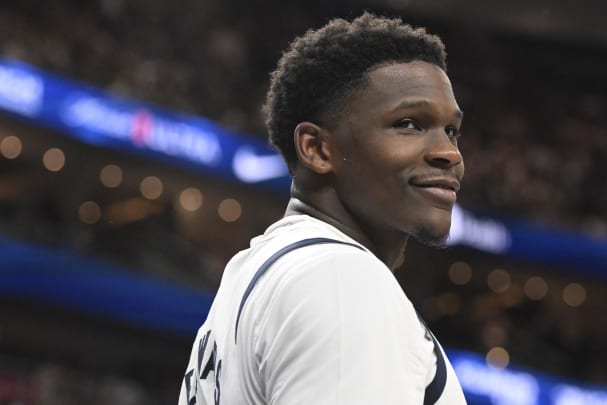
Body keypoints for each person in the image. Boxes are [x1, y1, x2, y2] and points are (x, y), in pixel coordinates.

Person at [180, 12, 467, 405]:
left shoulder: (252, 275)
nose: (448, 153)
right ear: (316, 149)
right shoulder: (342, 279)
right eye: (409, 124)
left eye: (451, 130)